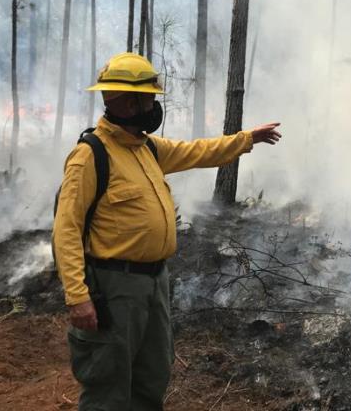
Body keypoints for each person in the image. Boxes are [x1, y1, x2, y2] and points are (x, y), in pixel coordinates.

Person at [52, 52, 281, 410]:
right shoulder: (90, 155)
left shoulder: (147, 149)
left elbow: (199, 151)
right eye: (149, 98)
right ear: (128, 102)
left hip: (154, 283)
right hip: (114, 289)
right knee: (108, 384)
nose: (154, 106)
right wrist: (77, 296)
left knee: (151, 377)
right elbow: (66, 229)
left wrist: (245, 139)